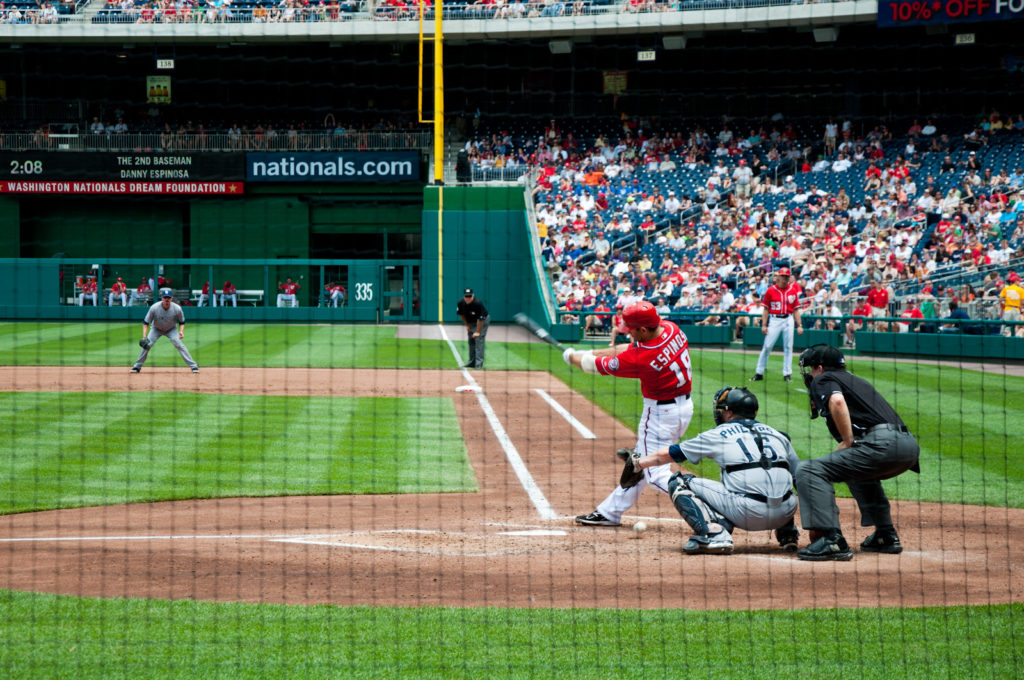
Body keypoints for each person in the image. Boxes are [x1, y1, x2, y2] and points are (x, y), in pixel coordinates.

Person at [563, 301, 694, 526]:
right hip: (683, 409)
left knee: (653, 473)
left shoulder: (645, 358)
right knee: (640, 461)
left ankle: (707, 500)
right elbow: (627, 349)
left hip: (660, 414)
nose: (629, 333)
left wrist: (572, 357)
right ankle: (609, 512)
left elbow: (595, 366)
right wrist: (590, 351)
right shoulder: (671, 328)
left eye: (632, 330)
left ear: (642, 330)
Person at [626, 386, 800, 554]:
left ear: (729, 412)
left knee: (679, 481)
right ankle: (788, 534)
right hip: (785, 512)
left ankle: (715, 534)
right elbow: (799, 477)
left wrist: (638, 463)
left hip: (747, 514)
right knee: (779, 475)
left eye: (722, 410)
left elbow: (671, 453)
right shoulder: (778, 435)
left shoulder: (719, 434)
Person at [795, 345, 919, 561]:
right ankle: (885, 535)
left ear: (820, 368)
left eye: (811, 369)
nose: (809, 374)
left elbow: (837, 401)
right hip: (908, 447)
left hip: (882, 445)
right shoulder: (854, 380)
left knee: (809, 469)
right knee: (854, 470)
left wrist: (847, 440)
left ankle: (832, 540)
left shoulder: (823, 379)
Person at [750, 267, 804, 382]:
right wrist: (764, 325)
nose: (784, 279)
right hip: (774, 320)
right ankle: (759, 373)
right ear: (778, 276)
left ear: (789, 278)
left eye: (786, 276)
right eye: (782, 276)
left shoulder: (793, 290)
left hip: (788, 319)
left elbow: (796, 310)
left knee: (789, 347)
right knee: (767, 346)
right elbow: (765, 309)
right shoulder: (770, 290)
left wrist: (799, 325)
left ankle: (787, 374)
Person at [130, 288, 200, 374]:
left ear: (171, 298)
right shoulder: (154, 308)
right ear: (162, 298)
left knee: (178, 344)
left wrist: (181, 331)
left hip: (171, 329)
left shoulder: (177, 308)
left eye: (168, 297)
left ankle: (194, 366)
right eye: (165, 297)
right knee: (146, 345)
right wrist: (144, 336)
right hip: (156, 329)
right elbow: (146, 323)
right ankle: (137, 366)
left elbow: (182, 322)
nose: (167, 299)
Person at [456, 287, 489, 369]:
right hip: (471, 322)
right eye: (466, 296)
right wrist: (467, 325)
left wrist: (477, 332)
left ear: (473, 296)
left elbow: (480, 320)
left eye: (469, 296)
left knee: (478, 340)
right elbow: (461, 314)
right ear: (464, 296)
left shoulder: (477, 303)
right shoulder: (460, 303)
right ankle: (471, 362)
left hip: (482, 321)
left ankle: (478, 364)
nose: (468, 298)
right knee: (471, 341)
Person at [999, 272, 1024, 337]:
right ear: (1016, 281)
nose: (1019, 283)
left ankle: (1003, 337)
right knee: (1016, 326)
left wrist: (1004, 304)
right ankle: (1013, 337)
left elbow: (1000, 299)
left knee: (1005, 325)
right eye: (1018, 281)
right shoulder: (1020, 289)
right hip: (1016, 309)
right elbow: (1022, 302)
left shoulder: (1006, 288)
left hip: (1008, 308)